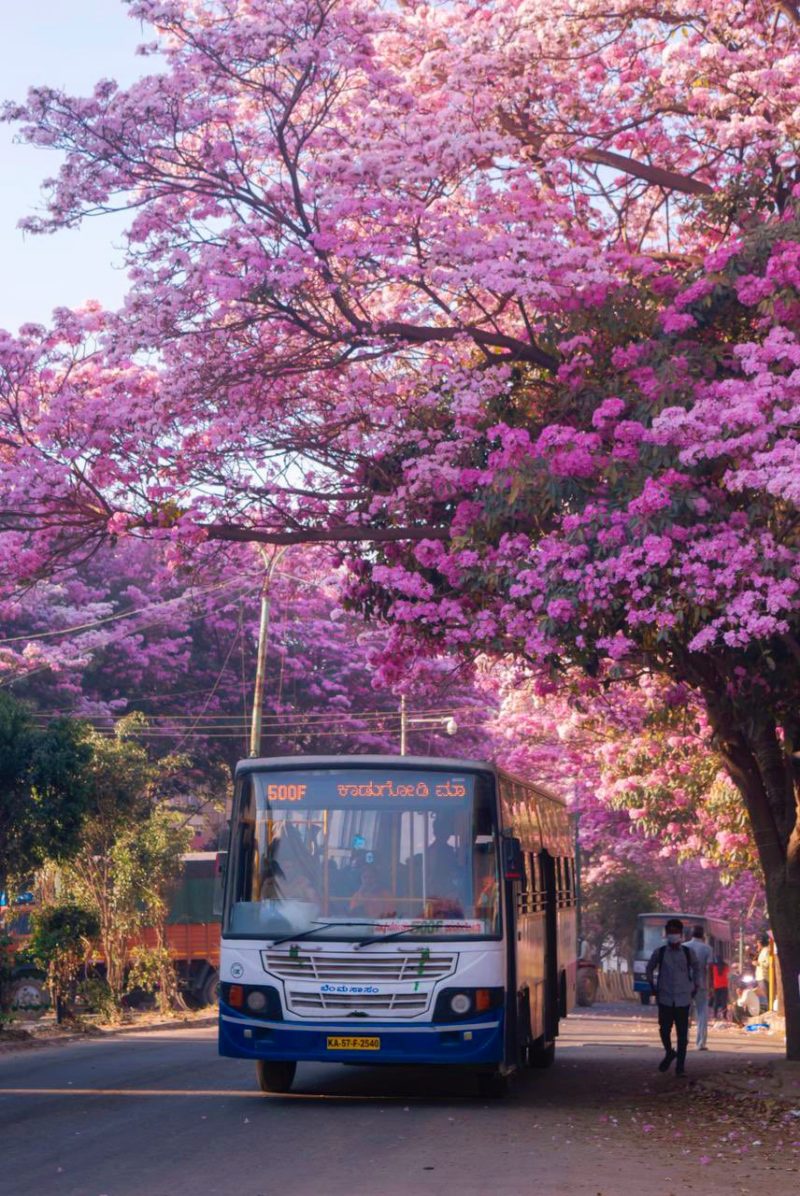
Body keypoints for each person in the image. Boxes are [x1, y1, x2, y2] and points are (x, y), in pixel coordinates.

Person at [645, 917, 697, 1077]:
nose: (673, 935)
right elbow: (649, 969)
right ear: (666, 934)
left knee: (683, 1035)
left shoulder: (688, 953)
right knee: (664, 1029)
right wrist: (653, 987)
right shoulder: (659, 952)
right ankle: (669, 1052)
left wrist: (696, 985)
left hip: (683, 998)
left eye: (676, 932)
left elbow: (698, 970)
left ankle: (680, 1067)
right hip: (665, 997)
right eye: (670, 932)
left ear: (681, 935)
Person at [686, 924, 713, 1050]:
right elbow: (709, 968)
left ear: (691, 934)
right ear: (703, 935)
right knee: (702, 1013)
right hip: (701, 985)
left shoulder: (683, 947)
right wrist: (711, 986)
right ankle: (700, 1043)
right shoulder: (707, 949)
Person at [711, 955, 730, 1021]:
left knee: (716, 1001)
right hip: (724, 986)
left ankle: (715, 1015)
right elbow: (728, 973)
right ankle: (724, 1016)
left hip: (716, 986)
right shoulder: (726, 966)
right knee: (724, 1002)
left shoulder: (714, 967)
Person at [755, 934, 771, 1006]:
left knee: (767, 994)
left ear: (761, 943)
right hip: (760, 977)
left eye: (758, 943)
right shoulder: (761, 952)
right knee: (765, 994)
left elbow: (767, 964)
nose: (757, 945)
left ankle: (769, 1007)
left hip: (764, 976)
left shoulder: (766, 951)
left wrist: (758, 964)